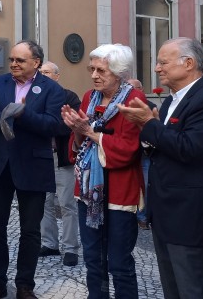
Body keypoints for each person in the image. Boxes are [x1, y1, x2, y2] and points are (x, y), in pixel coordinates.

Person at [119, 37, 203, 299]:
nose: (157, 68)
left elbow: (189, 148)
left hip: (193, 218)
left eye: (163, 62)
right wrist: (147, 132)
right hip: (168, 214)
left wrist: (149, 123)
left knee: (194, 290)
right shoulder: (171, 101)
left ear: (189, 63)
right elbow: (165, 148)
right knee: (173, 290)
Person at [0, 40, 65, 299]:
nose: (13, 64)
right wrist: (7, 113)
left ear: (36, 62)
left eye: (20, 60)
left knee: (30, 230)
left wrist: (24, 115)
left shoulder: (51, 89)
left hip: (33, 166)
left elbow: (54, 125)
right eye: (12, 60)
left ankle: (25, 285)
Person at [62, 44, 145, 299]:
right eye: (92, 69)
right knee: (92, 257)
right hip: (89, 191)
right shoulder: (89, 97)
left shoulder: (134, 101)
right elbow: (79, 147)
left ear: (118, 72)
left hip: (121, 192)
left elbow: (129, 149)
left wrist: (89, 132)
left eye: (101, 70)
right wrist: (77, 129)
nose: (94, 75)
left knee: (119, 260)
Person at [37, 60, 81, 267]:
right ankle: (49, 243)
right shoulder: (35, 96)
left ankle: (71, 248)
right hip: (41, 157)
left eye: (47, 72)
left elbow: (71, 127)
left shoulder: (69, 97)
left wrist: (46, 125)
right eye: (41, 72)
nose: (43, 75)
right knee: (43, 203)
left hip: (62, 158)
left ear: (57, 76)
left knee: (67, 204)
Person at [127, 79, 155, 231]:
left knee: (145, 183)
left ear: (141, 89)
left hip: (144, 153)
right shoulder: (123, 104)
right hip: (129, 152)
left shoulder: (149, 106)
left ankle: (144, 216)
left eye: (135, 88)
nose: (132, 91)